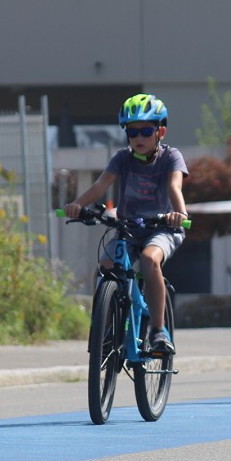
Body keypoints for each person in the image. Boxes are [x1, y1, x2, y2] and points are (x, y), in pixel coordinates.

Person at [64, 93, 188, 354]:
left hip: (163, 228)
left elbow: (175, 186)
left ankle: (158, 330)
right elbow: (101, 185)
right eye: (132, 133)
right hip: (129, 228)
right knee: (106, 264)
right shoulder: (122, 158)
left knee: (149, 260)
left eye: (145, 130)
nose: (138, 138)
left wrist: (180, 213)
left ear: (160, 132)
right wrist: (78, 205)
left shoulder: (171, 157)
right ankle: (106, 324)